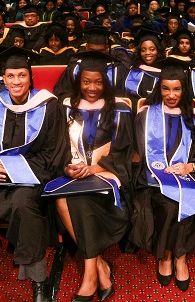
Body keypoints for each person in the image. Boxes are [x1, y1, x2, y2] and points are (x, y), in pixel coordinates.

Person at [0, 47, 69, 302]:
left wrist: (12, 170)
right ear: (4, 78)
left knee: (23, 204)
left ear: (30, 78)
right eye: (11, 76)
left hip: (31, 175)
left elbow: (53, 154)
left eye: (22, 75)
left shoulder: (48, 106)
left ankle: (39, 277)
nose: (16, 81)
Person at [130, 58, 195, 291]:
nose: (171, 94)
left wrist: (190, 167)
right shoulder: (145, 116)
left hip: (188, 176)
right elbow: (140, 154)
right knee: (169, 204)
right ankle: (167, 255)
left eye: (176, 89)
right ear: (159, 88)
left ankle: (181, 257)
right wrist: (158, 172)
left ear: (184, 89)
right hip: (153, 179)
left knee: (187, 198)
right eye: (166, 88)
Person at [54, 52, 133, 300]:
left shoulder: (120, 110)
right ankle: (99, 265)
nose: (92, 88)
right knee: (61, 198)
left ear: (105, 83)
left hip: (108, 175)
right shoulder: (66, 107)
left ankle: (90, 275)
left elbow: (126, 150)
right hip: (75, 173)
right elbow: (56, 146)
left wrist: (95, 168)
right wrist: (67, 167)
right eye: (86, 82)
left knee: (77, 200)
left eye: (98, 82)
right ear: (79, 81)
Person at [125, 28, 164, 100]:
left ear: (158, 50)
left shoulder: (165, 70)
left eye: (152, 49)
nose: (147, 53)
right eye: (143, 50)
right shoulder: (134, 70)